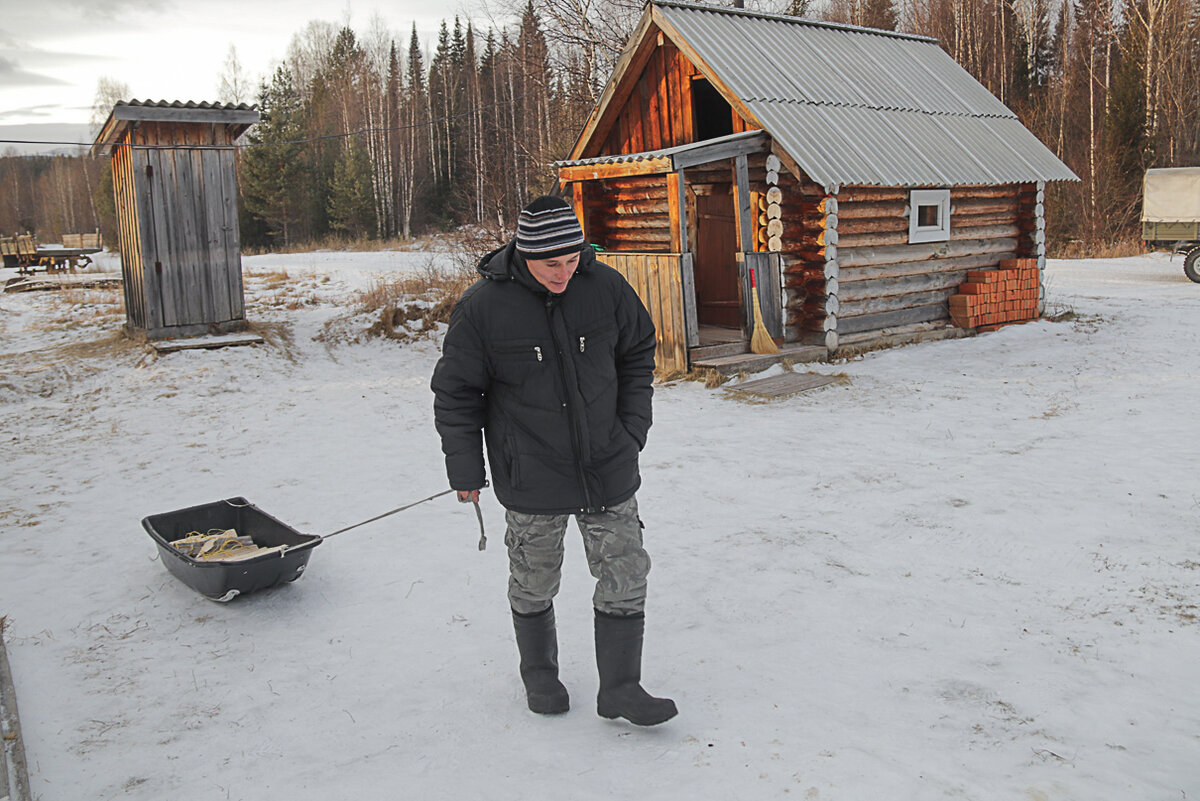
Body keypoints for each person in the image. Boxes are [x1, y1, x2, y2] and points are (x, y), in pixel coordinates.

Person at [431, 195, 677, 726]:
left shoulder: (606, 287)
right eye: (551, 265)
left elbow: (637, 354)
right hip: (530, 472)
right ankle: (539, 673)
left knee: (626, 571)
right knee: (534, 578)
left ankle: (621, 687)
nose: (565, 273)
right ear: (524, 254)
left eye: (572, 261)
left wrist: (632, 429)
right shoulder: (482, 308)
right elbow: (456, 394)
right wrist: (466, 469)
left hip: (606, 463)